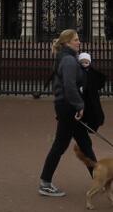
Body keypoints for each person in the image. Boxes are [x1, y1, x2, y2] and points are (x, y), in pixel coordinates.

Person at [38, 29, 96, 197]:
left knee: (85, 143)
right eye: (76, 40)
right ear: (67, 43)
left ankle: (99, 178)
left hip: (66, 105)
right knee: (60, 145)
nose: (79, 42)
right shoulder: (69, 60)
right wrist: (79, 105)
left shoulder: (66, 57)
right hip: (68, 107)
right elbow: (69, 86)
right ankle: (45, 183)